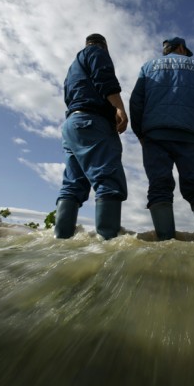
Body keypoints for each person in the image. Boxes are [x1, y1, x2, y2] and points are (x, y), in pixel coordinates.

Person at [130, 37, 194, 240]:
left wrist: (140, 132)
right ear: (180, 47)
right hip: (190, 135)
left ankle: (165, 247)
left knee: (159, 186)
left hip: (155, 135)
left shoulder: (147, 67)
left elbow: (136, 101)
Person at [55, 33, 128, 240]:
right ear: (104, 45)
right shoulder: (96, 53)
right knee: (108, 180)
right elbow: (104, 79)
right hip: (92, 122)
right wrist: (119, 108)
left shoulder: (73, 67)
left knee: (72, 185)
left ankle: (60, 241)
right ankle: (107, 247)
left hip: (72, 126)